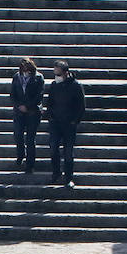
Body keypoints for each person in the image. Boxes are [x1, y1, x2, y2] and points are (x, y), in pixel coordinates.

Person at [45, 60, 85, 188]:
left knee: (68, 152)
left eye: (58, 74)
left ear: (66, 73)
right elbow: (49, 102)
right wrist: (50, 117)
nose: (56, 77)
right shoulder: (54, 85)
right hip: (55, 123)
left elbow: (81, 106)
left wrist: (75, 120)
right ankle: (56, 173)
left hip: (69, 124)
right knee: (53, 149)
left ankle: (69, 177)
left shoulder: (75, 85)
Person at [9, 58, 45, 172]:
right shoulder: (16, 77)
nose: (25, 70)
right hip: (19, 112)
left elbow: (39, 95)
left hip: (33, 112)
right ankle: (20, 155)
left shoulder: (38, 77)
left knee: (30, 139)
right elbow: (13, 94)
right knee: (18, 135)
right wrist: (19, 105)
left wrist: (28, 106)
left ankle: (30, 164)